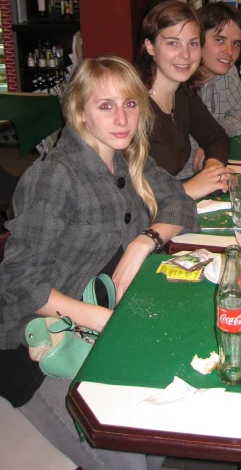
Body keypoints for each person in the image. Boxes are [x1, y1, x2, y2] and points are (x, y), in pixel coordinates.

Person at [0, 55, 197, 470]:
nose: (122, 117)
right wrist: (106, 322)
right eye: (105, 105)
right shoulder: (55, 176)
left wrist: (143, 243)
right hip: (37, 347)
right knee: (126, 459)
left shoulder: (128, 158)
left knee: (167, 420)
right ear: (80, 112)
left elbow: (180, 202)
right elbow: (20, 285)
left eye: (129, 103)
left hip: (99, 327)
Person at [135, 0, 233, 200]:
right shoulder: (132, 107)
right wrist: (189, 188)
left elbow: (216, 136)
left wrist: (213, 165)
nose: (186, 54)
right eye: (173, 43)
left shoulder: (182, 94)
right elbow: (130, 196)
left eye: (193, 43)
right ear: (150, 47)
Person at [182, 3, 241, 178]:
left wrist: (214, 139)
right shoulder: (177, 84)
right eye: (219, 40)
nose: (229, 52)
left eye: (236, 43)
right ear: (197, 39)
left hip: (212, 168)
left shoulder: (228, 72)